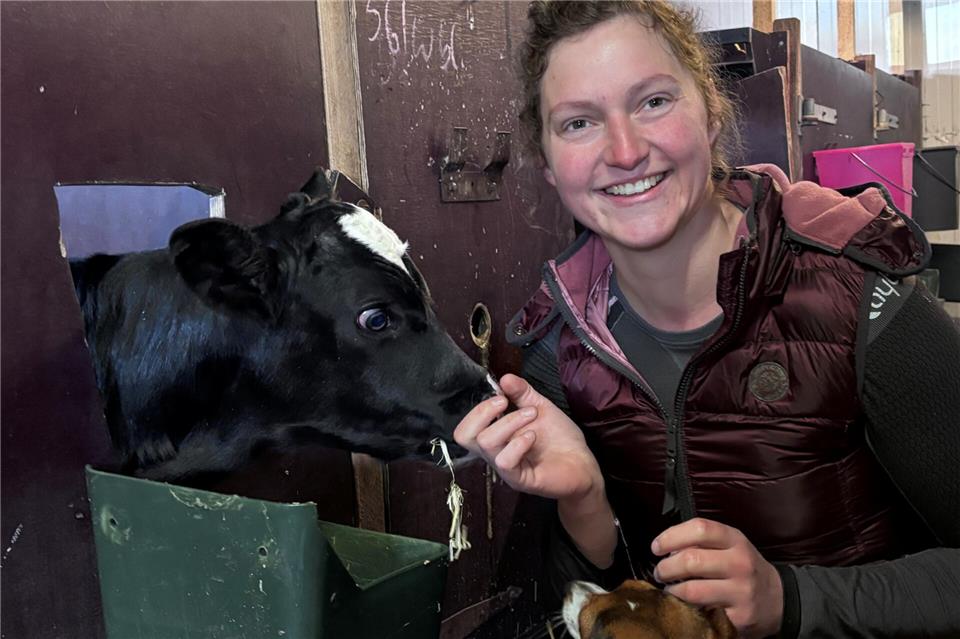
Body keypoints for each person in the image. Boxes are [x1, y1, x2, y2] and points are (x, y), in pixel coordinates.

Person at [453, 2, 960, 637]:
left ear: (713, 114)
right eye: (579, 122)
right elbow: (590, 613)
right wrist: (585, 503)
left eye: (654, 102)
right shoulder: (561, 347)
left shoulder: (861, 300)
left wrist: (791, 600)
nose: (625, 149)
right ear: (551, 168)